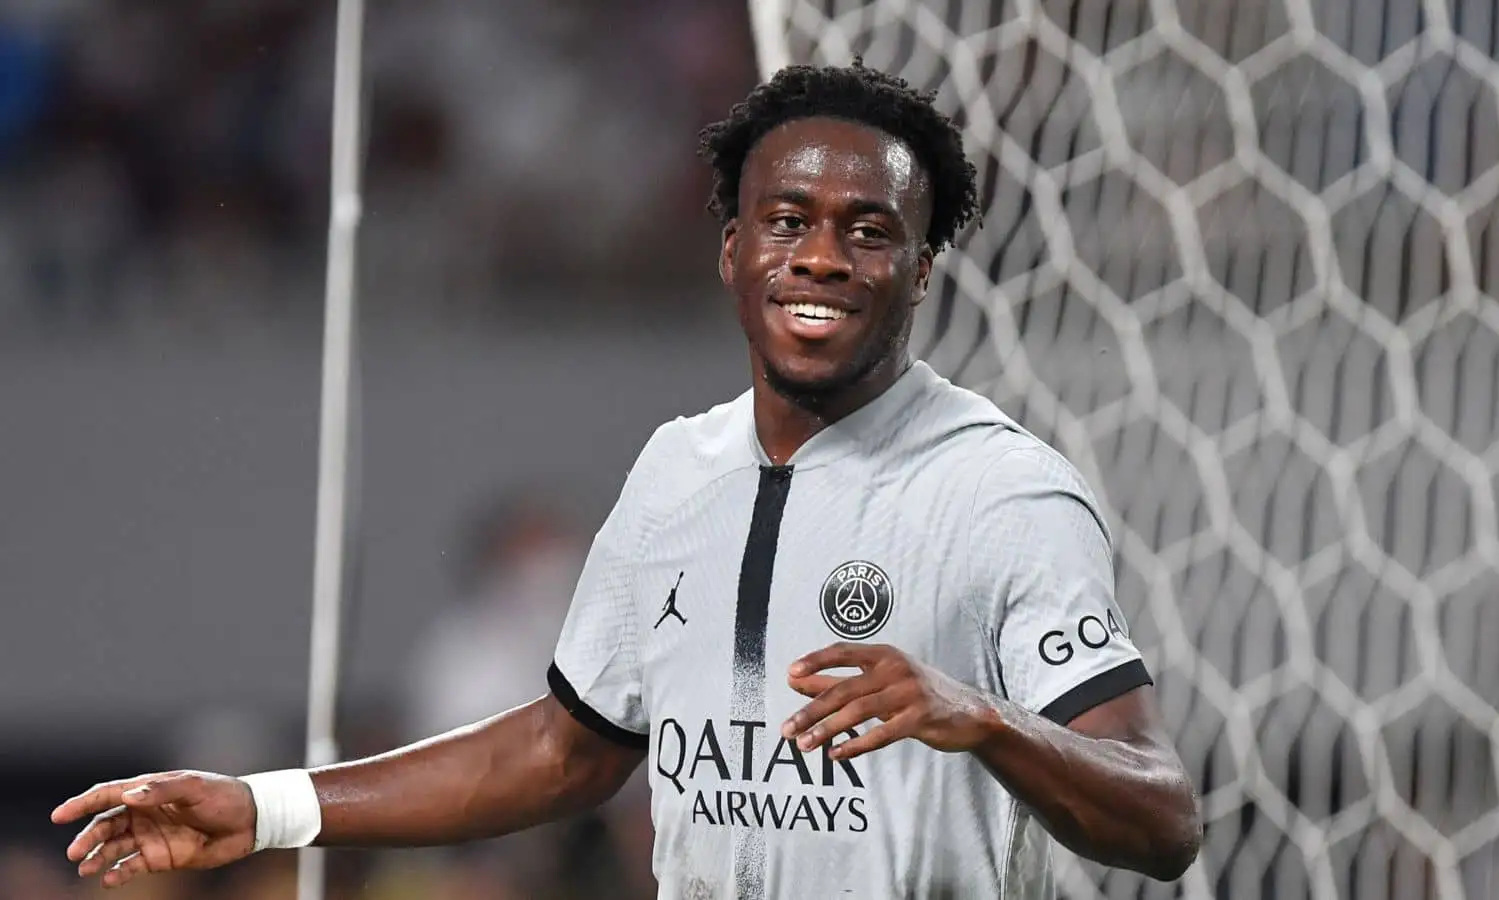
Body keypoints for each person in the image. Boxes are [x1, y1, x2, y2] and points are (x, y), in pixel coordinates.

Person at [52, 62, 1201, 898]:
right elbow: (564, 749)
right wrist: (265, 808)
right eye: (785, 220)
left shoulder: (1003, 494)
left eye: (868, 231)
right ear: (733, 251)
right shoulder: (677, 472)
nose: (818, 256)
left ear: (920, 268)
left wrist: (981, 716)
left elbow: (1161, 816)